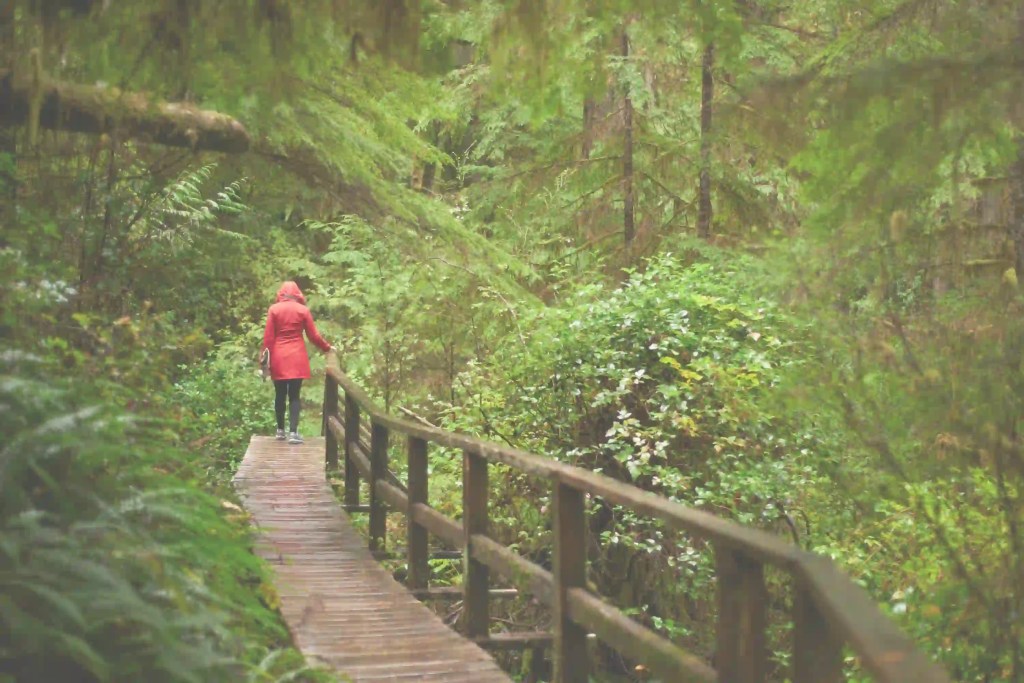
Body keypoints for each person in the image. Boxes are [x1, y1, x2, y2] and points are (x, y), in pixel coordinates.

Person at [262, 281, 332, 444]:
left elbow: (268, 337)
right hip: (296, 357)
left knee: (280, 394)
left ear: (281, 293)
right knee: (294, 395)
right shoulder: (303, 310)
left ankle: (280, 431)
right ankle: (293, 432)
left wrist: (264, 359)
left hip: (279, 356)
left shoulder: (274, 310)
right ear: (297, 294)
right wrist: (327, 347)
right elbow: (313, 336)